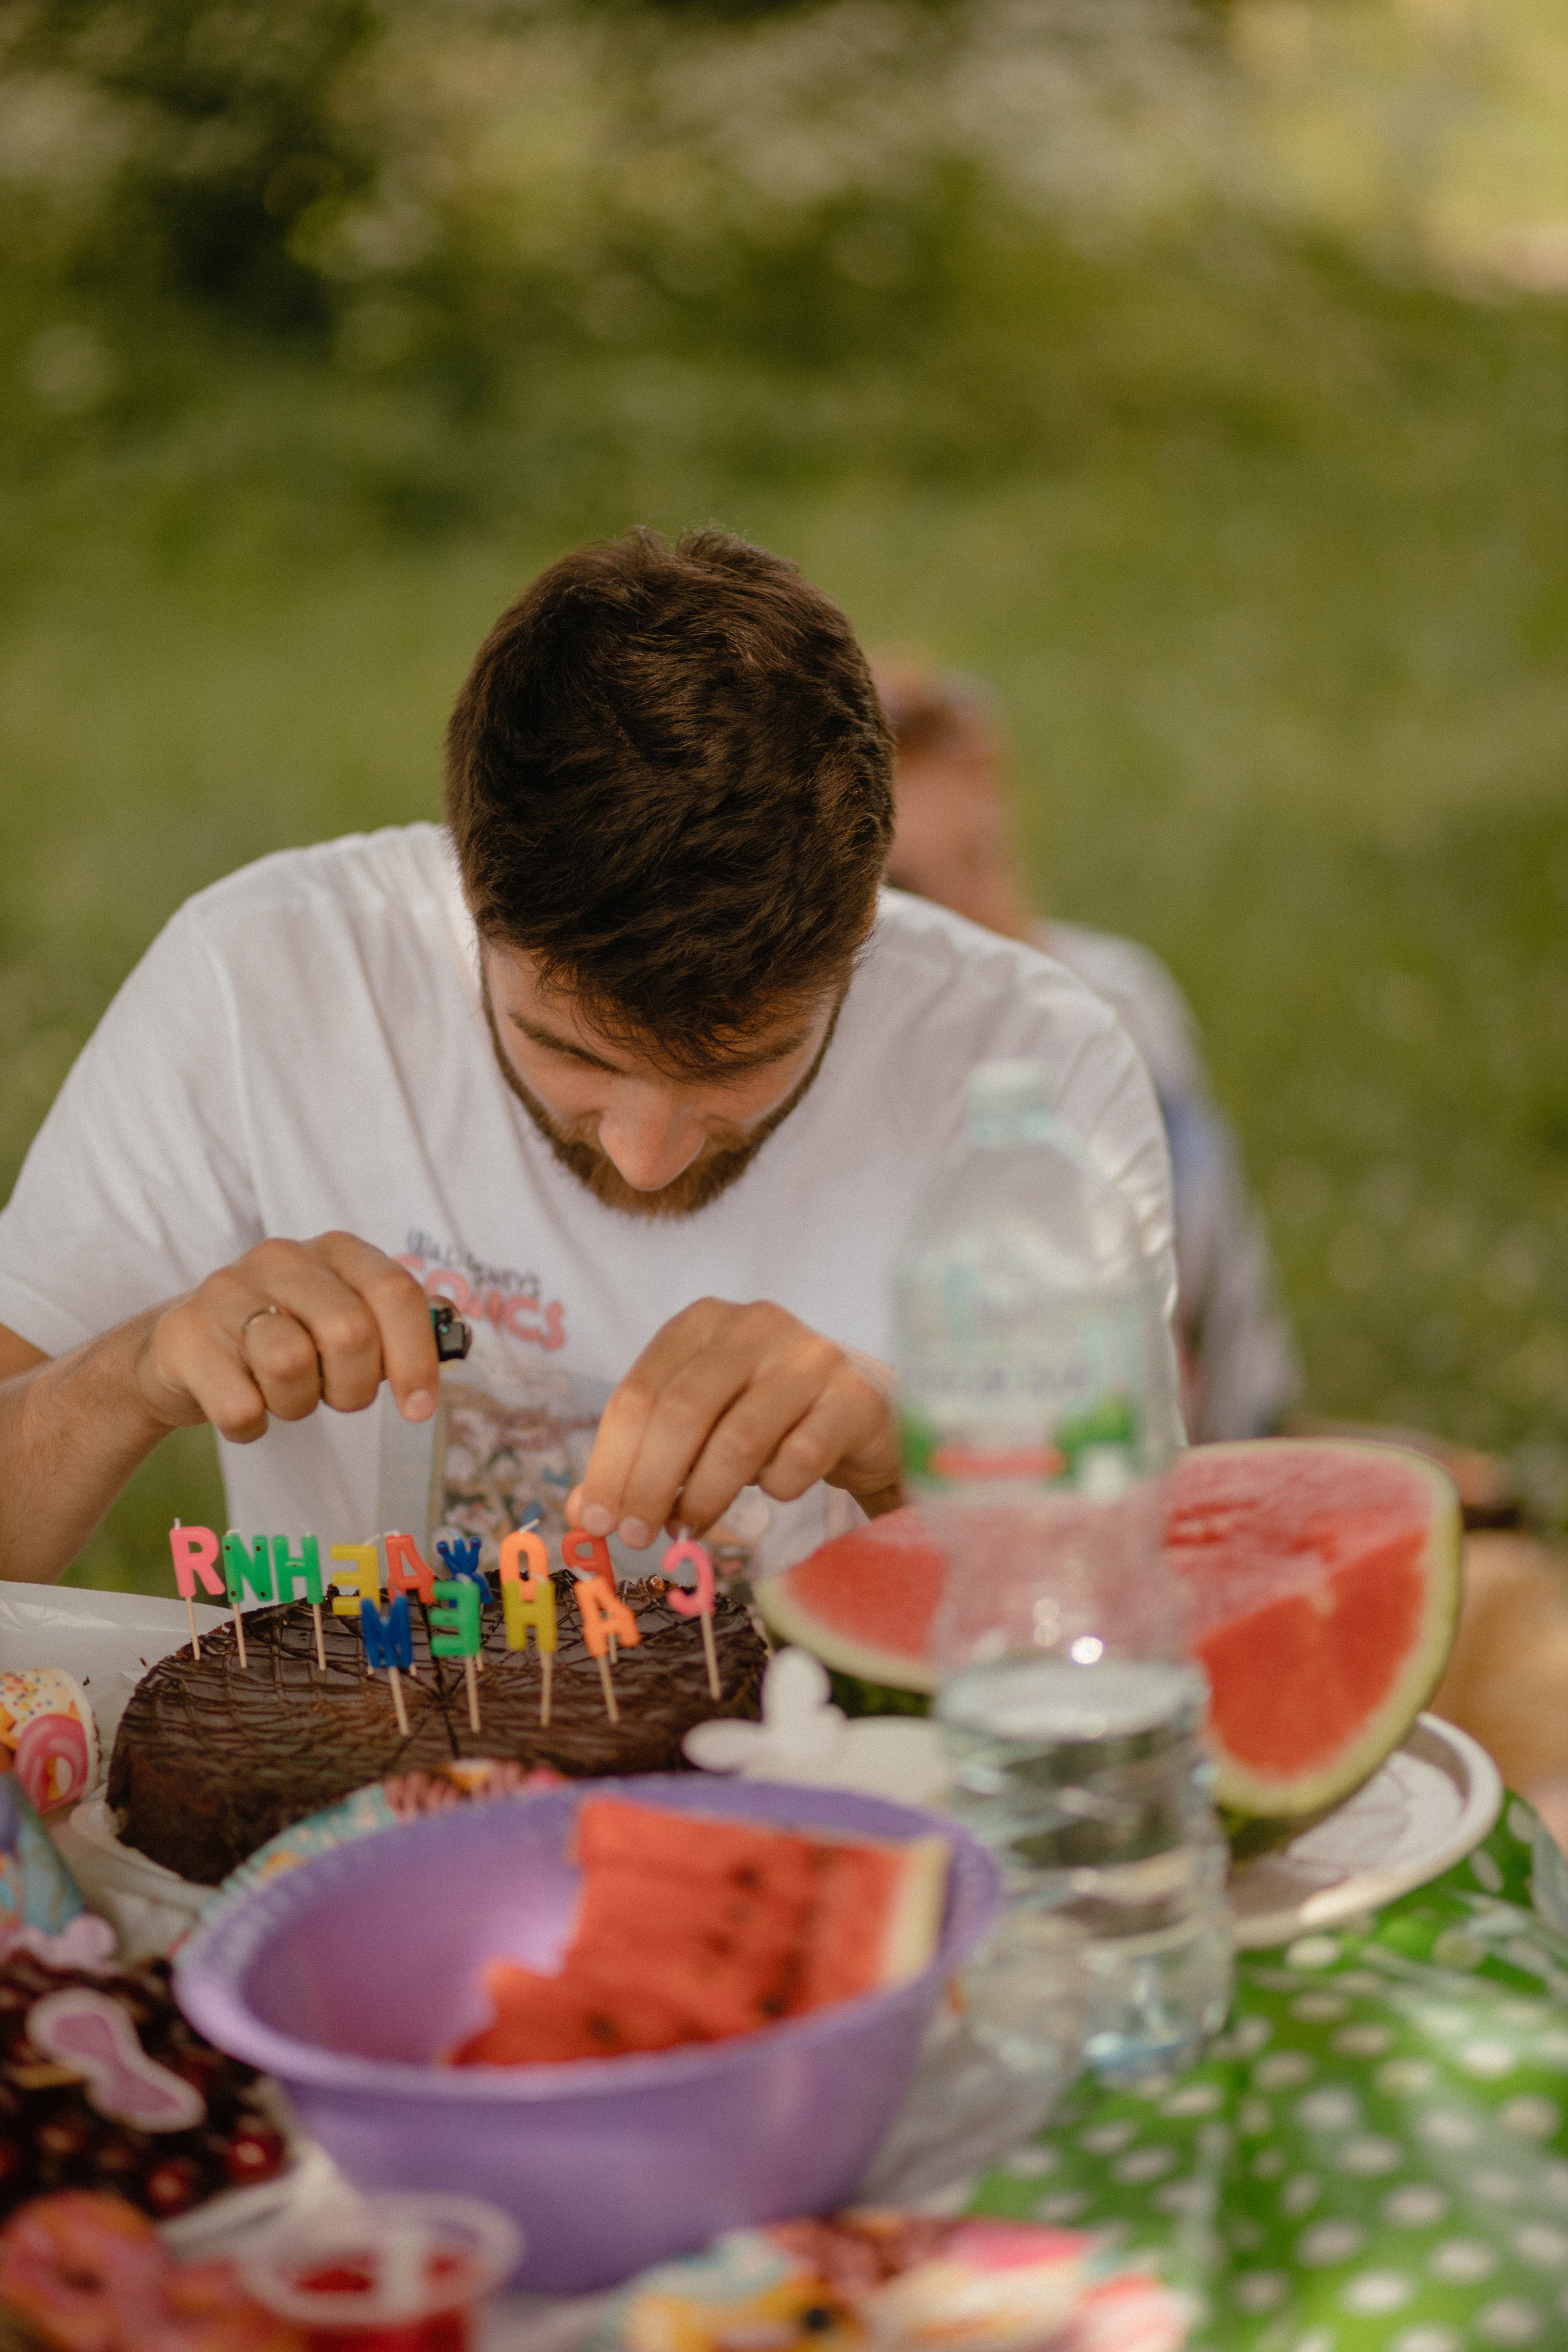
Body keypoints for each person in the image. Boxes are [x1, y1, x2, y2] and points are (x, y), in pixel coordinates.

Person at [0, 530, 1177, 1587]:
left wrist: (899, 1459)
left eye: (740, 1065)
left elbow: (1131, 1619)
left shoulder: (1036, 1069)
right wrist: (132, 1375)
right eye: (568, 1051)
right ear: (468, 896)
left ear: (862, 930)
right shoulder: (264, 981)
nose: (647, 1156)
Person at [873, 659, 1297, 1442]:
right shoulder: (847, 1081)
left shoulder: (1122, 1002)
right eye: (910, 894)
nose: (965, 921)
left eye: (981, 858)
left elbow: (1230, 1306)